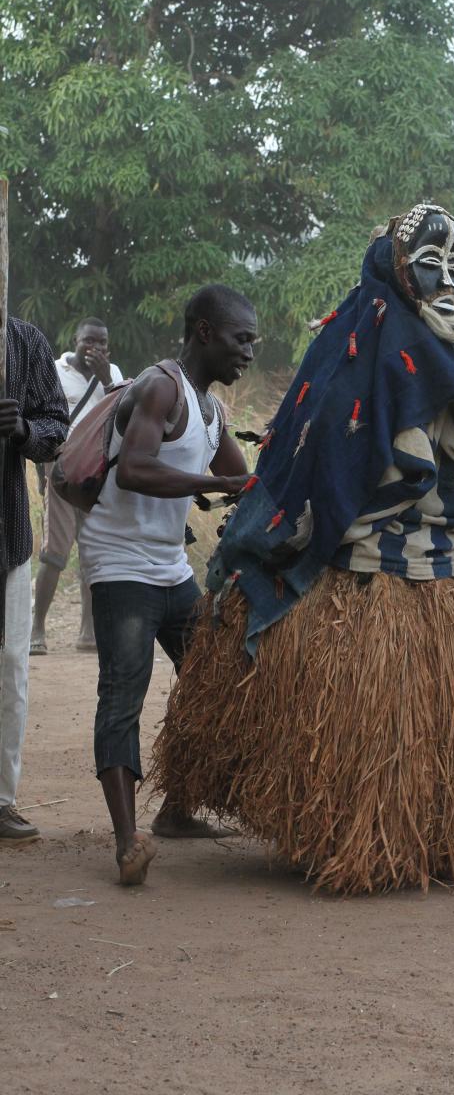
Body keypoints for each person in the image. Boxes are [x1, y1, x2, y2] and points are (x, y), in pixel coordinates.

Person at [150, 204, 454, 895]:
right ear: (396, 268)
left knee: (437, 720)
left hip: (447, 564)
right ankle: (354, 837)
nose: (447, 280)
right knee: (358, 726)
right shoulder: (358, 341)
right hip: (356, 569)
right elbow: (321, 438)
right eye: (430, 265)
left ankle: (440, 832)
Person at [78, 284, 256, 885]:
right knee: (123, 695)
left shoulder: (210, 410)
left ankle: (179, 809)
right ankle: (129, 842)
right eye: (241, 339)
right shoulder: (161, 387)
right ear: (205, 331)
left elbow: (241, 477)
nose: (249, 353)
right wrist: (218, 487)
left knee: (215, 680)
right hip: (121, 562)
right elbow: (133, 469)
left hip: (169, 567)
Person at [0, 318, 68, 845]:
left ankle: (1, 802)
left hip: (8, 537)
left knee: (10, 673)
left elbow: (56, 428)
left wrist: (24, 431)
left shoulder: (24, 343)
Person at [30, 317, 123, 656]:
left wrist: (105, 377)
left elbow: (123, 411)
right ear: (75, 340)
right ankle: (36, 629)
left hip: (97, 474)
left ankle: (88, 632)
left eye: (101, 343)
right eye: (88, 341)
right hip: (63, 469)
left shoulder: (112, 373)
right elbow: (42, 415)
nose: (94, 348)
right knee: (55, 551)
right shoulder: (55, 370)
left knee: (93, 552)